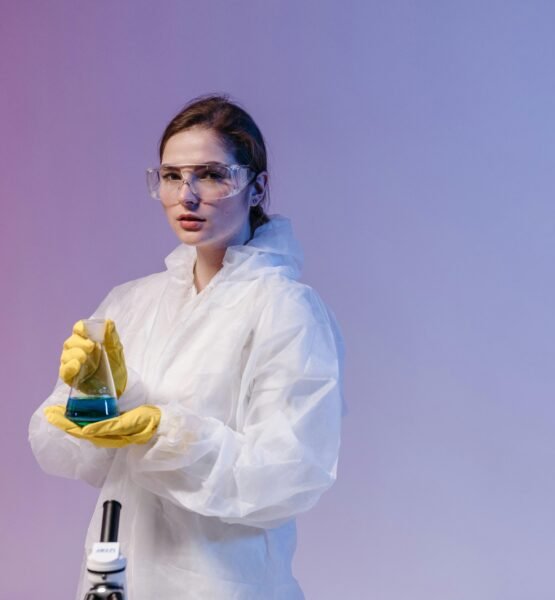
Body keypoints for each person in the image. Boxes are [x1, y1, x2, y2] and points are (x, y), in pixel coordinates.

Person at [29, 95, 344, 599]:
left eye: (212, 174)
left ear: (256, 186)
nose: (187, 196)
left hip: (222, 584)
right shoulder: (132, 303)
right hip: (118, 576)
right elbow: (60, 453)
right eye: (172, 176)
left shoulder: (285, 310)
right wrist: (87, 405)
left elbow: (290, 474)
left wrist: (165, 430)